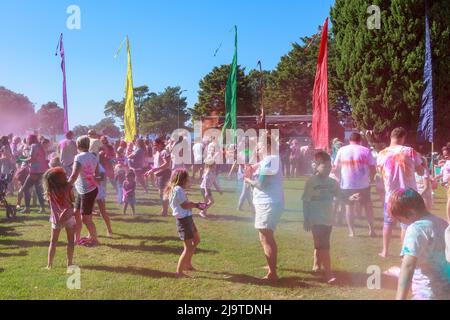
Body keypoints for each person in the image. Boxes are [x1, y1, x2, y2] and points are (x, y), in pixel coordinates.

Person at [388, 188, 450, 300]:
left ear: (411, 213)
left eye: (400, 220)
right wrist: (398, 272)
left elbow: (408, 266)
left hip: (427, 293)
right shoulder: (442, 223)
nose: (401, 223)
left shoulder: (416, 229)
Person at [377, 128, 424, 258]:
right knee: (407, 225)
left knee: (388, 223)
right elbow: (420, 172)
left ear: (391, 137)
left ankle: (385, 251)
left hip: (391, 194)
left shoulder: (382, 153)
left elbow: (381, 174)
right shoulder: (410, 151)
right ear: (403, 137)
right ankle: (404, 252)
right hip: (408, 194)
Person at [303, 151, 346, 284]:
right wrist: (307, 218)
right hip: (316, 220)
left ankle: (316, 265)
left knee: (321, 244)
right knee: (324, 246)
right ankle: (329, 274)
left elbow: (340, 196)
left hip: (328, 219)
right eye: (324, 166)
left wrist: (350, 198)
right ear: (316, 166)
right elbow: (306, 201)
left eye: (329, 166)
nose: (327, 169)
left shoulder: (333, 182)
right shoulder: (311, 182)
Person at [244, 138, 284, 281]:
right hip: (268, 202)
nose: (257, 150)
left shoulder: (271, 160)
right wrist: (250, 168)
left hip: (268, 202)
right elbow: (255, 166)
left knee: (266, 237)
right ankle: (271, 266)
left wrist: (248, 180)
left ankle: (272, 273)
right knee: (265, 236)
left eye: (259, 147)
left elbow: (260, 184)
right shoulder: (269, 159)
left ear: (268, 146)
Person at [333, 132, 376, 237]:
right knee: (368, 206)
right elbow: (372, 168)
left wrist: (338, 177)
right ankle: (372, 230)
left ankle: (352, 232)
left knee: (349, 207)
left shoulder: (342, 150)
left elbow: (335, 168)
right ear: (360, 140)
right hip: (363, 183)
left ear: (349, 140)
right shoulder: (366, 150)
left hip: (347, 184)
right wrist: (371, 178)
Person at [166, 168, 203, 278]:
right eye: (187, 179)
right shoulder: (178, 189)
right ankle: (179, 272)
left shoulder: (177, 189)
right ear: (182, 179)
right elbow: (185, 205)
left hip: (187, 218)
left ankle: (187, 264)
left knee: (196, 240)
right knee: (188, 247)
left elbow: (184, 204)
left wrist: (196, 205)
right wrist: (197, 205)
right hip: (183, 221)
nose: (189, 180)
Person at [68, 136, 99, 246]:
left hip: (87, 191)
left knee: (86, 219)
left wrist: (66, 186)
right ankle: (77, 238)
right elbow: (97, 173)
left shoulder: (79, 157)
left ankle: (94, 239)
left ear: (78, 145)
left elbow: (74, 175)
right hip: (85, 189)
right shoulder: (94, 156)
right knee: (76, 213)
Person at [42, 167, 76, 270]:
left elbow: (50, 204)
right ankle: (69, 263)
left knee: (53, 241)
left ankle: (49, 265)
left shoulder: (50, 190)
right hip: (69, 217)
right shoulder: (68, 187)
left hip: (56, 219)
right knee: (70, 241)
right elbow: (73, 199)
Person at [20, 134, 48, 214]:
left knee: (25, 188)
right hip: (42, 170)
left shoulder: (33, 146)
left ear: (30, 139)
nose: (27, 141)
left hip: (35, 170)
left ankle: (27, 208)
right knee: (38, 190)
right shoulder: (40, 145)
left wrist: (22, 160)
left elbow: (32, 158)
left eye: (27, 139)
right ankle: (42, 208)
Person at [145, 138, 172, 216]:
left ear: (160, 144)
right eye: (153, 145)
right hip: (159, 174)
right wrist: (151, 171)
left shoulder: (164, 152)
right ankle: (164, 210)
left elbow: (166, 164)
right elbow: (157, 165)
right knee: (161, 193)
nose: (154, 146)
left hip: (164, 173)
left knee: (163, 193)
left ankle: (165, 211)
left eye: (155, 145)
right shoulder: (157, 152)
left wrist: (156, 169)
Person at [95, 164, 113, 236]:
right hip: (88, 190)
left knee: (103, 212)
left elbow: (102, 178)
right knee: (87, 214)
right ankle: (91, 233)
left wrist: (93, 177)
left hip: (98, 191)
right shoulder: (85, 163)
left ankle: (109, 229)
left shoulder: (99, 166)